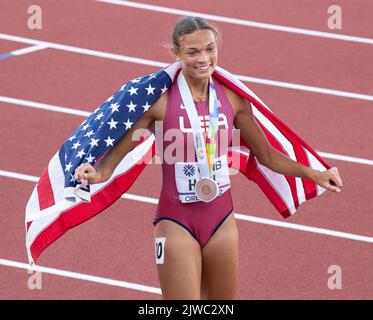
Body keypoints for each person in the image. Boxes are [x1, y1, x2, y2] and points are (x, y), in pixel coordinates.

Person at [74, 16, 343, 300]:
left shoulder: (233, 99)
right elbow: (116, 157)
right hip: (176, 221)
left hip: (222, 222)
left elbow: (265, 155)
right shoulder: (160, 102)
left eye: (210, 49)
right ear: (176, 54)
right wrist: (97, 173)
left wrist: (313, 173)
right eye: (192, 52)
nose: (203, 58)